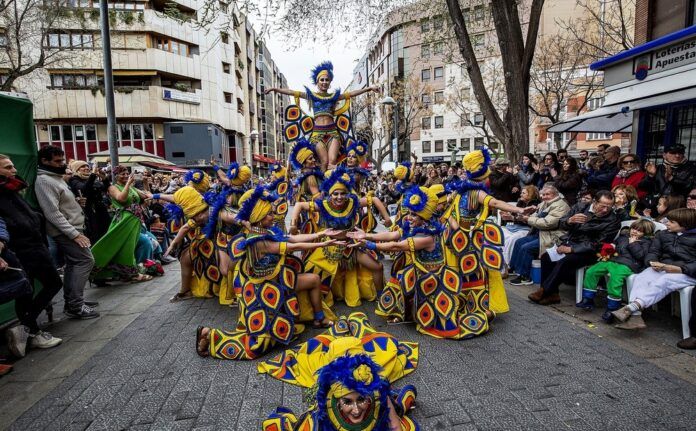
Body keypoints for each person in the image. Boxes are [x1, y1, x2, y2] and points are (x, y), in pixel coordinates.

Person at [194, 186, 338, 360]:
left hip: (279, 281)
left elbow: (293, 238)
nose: (274, 216)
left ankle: (319, 318)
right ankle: (211, 337)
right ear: (259, 218)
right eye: (269, 214)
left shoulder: (266, 231)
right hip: (263, 293)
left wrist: (322, 233)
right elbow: (293, 246)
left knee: (314, 279)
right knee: (256, 347)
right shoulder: (256, 241)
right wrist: (322, 245)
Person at [259, 312, 420, 431]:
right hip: (333, 352)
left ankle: (357, 318)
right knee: (329, 337)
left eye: (361, 399)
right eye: (348, 402)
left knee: (372, 335)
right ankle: (341, 324)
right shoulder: (325, 405)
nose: (356, 411)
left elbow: (395, 425)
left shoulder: (374, 383)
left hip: (360, 351)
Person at [292, 168, 387, 307]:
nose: (339, 197)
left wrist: (387, 218)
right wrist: (293, 224)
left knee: (377, 267)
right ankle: (316, 306)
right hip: (330, 247)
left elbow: (374, 199)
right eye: (335, 194)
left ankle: (382, 298)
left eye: (343, 193)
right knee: (311, 272)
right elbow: (299, 205)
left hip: (351, 246)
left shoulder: (352, 203)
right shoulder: (323, 205)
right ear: (330, 194)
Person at [0, 155, 64, 357]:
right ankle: (30, 330)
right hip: (21, 249)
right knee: (29, 290)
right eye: (8, 167)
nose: (14, 170)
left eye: (13, 166)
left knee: (47, 285)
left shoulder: (13, 190)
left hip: (35, 246)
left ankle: (26, 328)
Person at [264, 61, 379, 170]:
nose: (324, 82)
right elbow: (291, 92)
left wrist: (369, 88)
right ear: (317, 82)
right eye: (322, 80)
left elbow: (351, 94)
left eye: (327, 80)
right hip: (317, 134)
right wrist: (275, 89)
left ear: (329, 83)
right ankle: (322, 188)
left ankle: (332, 186)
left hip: (333, 133)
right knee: (323, 162)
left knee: (332, 162)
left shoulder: (334, 96)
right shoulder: (312, 95)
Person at [34, 146, 97, 319]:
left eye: (62, 160)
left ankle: (73, 301)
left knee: (74, 263)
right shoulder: (45, 181)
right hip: (67, 230)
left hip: (72, 227)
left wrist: (76, 203)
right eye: (57, 161)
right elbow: (52, 213)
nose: (62, 164)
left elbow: (60, 204)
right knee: (85, 261)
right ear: (44, 161)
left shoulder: (56, 178)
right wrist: (74, 234)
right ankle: (75, 305)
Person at [528, 190, 620, 305]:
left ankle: (544, 291)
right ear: (595, 202)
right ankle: (553, 294)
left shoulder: (613, 220)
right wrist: (569, 221)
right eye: (602, 206)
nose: (605, 210)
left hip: (591, 251)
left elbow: (599, 243)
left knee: (566, 261)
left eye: (609, 207)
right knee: (546, 257)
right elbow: (561, 224)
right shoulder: (580, 207)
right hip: (570, 242)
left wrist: (572, 249)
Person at [612, 208, 696, 330]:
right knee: (641, 277)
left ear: (684, 224)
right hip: (664, 267)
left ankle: (633, 307)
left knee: (666, 280)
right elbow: (654, 251)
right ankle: (635, 317)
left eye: (672, 222)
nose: (667, 223)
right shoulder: (664, 234)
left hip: (688, 272)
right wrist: (652, 262)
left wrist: (680, 269)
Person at [576, 219, 654, 322]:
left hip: (629, 265)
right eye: (634, 228)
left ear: (646, 233)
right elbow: (615, 246)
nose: (634, 232)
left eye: (639, 231)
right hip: (614, 260)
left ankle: (612, 307)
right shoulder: (624, 237)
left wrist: (633, 244)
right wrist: (610, 248)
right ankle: (588, 299)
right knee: (592, 271)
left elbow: (641, 256)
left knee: (615, 278)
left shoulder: (646, 242)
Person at [90, 166, 155, 283]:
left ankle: (126, 272)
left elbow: (147, 196)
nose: (125, 176)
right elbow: (121, 198)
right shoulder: (113, 187)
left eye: (126, 173)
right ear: (115, 176)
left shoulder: (131, 187)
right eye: (122, 174)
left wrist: (145, 183)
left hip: (135, 221)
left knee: (130, 246)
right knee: (126, 247)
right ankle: (131, 274)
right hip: (124, 221)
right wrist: (128, 184)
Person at [509, 184, 570, 285]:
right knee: (519, 242)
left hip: (553, 236)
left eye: (547, 194)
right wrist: (523, 217)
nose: (544, 196)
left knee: (526, 248)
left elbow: (547, 223)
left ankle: (525, 276)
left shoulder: (561, 205)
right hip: (541, 233)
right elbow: (535, 215)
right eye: (543, 194)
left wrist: (528, 219)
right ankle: (515, 268)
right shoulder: (545, 203)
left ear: (555, 194)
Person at [67, 161, 111, 243]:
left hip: (101, 210)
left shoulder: (91, 178)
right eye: (83, 166)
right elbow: (84, 189)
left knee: (106, 233)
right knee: (94, 235)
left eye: (87, 166)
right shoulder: (74, 180)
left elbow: (105, 188)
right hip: (89, 212)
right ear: (76, 169)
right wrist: (93, 175)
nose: (87, 168)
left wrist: (104, 178)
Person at [499, 185, 540, 275]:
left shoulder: (535, 205)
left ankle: (508, 265)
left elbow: (529, 221)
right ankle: (499, 262)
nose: (521, 194)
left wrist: (512, 218)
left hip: (528, 229)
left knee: (512, 239)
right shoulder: (520, 203)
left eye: (523, 193)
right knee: (499, 234)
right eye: (521, 192)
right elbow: (515, 217)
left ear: (531, 194)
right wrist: (506, 217)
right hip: (515, 227)